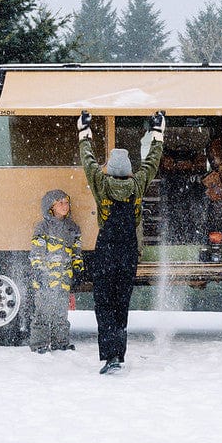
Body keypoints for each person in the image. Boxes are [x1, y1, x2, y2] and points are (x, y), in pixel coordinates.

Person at [78, 110, 165, 374]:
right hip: (128, 251)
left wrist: (84, 131)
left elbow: (88, 160)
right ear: (128, 171)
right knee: (120, 304)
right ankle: (119, 352)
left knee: (103, 304)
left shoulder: (100, 184)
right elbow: (152, 162)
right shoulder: (138, 184)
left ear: (109, 171)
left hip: (105, 251)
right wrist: (158, 133)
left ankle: (110, 357)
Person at [28, 189, 85, 353]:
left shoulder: (73, 228)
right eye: (59, 203)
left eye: (66, 202)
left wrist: (77, 269)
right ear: (50, 207)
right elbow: (37, 251)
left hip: (64, 278)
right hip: (45, 277)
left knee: (61, 312)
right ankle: (39, 343)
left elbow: (76, 251)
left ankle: (61, 342)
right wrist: (38, 271)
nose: (64, 205)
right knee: (42, 311)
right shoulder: (43, 227)